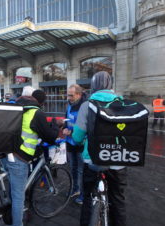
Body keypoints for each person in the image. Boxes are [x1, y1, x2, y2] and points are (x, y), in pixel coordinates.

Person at [72, 71, 127, 226]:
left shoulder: (86, 105)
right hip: (118, 159)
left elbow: (77, 137)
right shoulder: (123, 104)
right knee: (118, 200)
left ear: (93, 86)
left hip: (93, 159)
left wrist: (82, 139)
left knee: (88, 197)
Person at [4, 89, 59, 226]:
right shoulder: (36, 112)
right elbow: (50, 137)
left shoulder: (16, 107)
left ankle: (10, 212)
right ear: (41, 102)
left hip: (6, 153)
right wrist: (56, 126)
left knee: (13, 186)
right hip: (18, 158)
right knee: (18, 197)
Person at [62, 84, 87, 205]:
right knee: (72, 168)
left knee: (81, 170)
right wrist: (64, 128)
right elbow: (67, 121)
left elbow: (87, 127)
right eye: (68, 94)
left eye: (71, 95)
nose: (69, 97)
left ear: (79, 94)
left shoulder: (85, 107)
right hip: (70, 142)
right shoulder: (69, 105)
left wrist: (72, 132)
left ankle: (83, 193)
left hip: (81, 143)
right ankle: (75, 189)